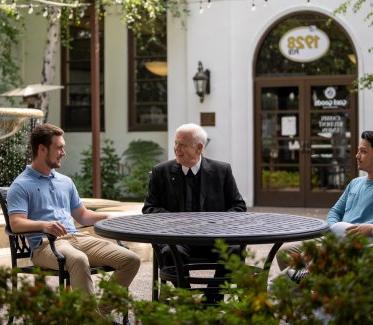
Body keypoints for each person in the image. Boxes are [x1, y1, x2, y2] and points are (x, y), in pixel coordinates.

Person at [7, 123, 140, 319]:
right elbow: (16, 223)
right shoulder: (20, 185)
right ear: (41, 149)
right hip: (45, 246)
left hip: (77, 238)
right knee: (78, 260)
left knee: (130, 260)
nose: (63, 152)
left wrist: (108, 218)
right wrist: (44, 225)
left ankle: (99, 315)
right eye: (59, 147)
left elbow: (82, 216)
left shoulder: (65, 182)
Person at [143, 123, 247, 302]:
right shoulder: (161, 172)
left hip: (215, 239)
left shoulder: (222, 171)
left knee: (235, 251)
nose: (176, 149)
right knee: (169, 252)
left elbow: (238, 207)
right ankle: (188, 300)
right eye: (175, 143)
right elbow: (149, 208)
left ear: (199, 148)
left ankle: (211, 300)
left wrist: (214, 224)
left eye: (182, 145)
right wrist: (179, 222)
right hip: (177, 240)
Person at [276, 130, 373, 282]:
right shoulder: (355, 183)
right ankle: (307, 285)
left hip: (360, 245)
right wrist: (335, 230)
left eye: (363, 151)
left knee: (285, 279)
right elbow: (335, 211)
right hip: (336, 238)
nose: (357, 155)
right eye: (358, 150)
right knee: (283, 253)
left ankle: (303, 281)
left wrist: (370, 228)